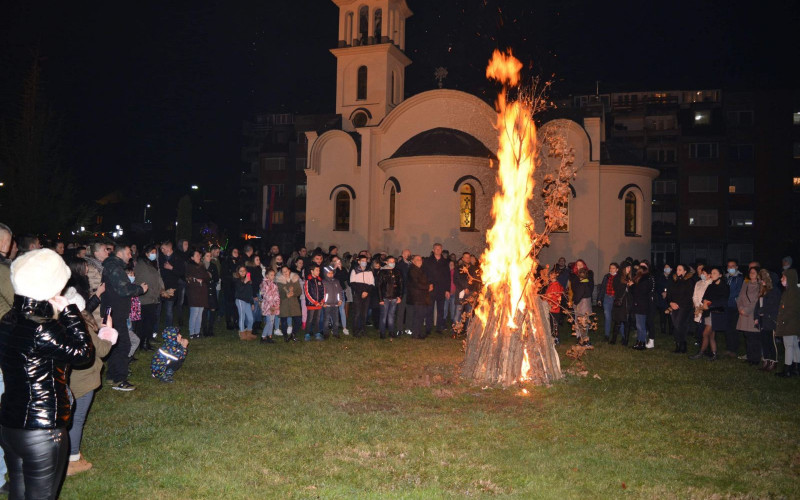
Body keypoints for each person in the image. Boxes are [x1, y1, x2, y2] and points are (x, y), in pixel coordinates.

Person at [0, 249, 95, 499]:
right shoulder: (42, 327)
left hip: (10, 423)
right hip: (41, 430)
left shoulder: (8, 320)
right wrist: (70, 312)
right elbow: (84, 354)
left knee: (19, 491)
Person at [63, 287, 116, 476]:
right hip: (83, 379)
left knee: (68, 417)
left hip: (69, 378)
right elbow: (101, 350)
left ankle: (68, 451)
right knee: (76, 419)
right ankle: (73, 459)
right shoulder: (82, 327)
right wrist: (108, 332)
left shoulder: (62, 324)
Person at [102, 243, 147, 391]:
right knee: (123, 345)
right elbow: (123, 289)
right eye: (128, 253)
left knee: (115, 344)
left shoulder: (114, 266)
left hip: (113, 311)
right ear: (120, 253)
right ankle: (119, 379)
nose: (130, 256)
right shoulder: (114, 267)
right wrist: (141, 289)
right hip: (115, 312)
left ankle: (111, 375)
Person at [690, 267, 729, 361]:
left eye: (715, 273)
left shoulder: (724, 286)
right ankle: (714, 354)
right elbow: (705, 297)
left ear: (720, 275)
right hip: (708, 312)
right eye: (711, 273)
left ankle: (701, 353)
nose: (712, 274)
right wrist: (705, 302)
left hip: (716, 313)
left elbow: (723, 301)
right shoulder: (711, 285)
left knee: (705, 333)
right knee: (711, 335)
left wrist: (710, 304)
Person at [134, 244, 166, 351]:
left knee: (150, 322)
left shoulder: (150, 264)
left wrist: (160, 290)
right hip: (145, 298)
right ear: (146, 253)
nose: (154, 254)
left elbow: (156, 278)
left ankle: (146, 342)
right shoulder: (141, 265)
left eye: (155, 252)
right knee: (144, 323)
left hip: (152, 298)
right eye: (152, 252)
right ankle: (143, 343)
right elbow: (142, 280)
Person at [774, 269, 800, 377]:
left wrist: (783, 321)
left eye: (783, 278)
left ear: (790, 279)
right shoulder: (791, 291)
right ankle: (796, 368)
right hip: (792, 323)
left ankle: (787, 370)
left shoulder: (792, 292)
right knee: (794, 345)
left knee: (788, 346)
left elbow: (792, 310)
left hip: (789, 324)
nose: (781, 279)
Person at [755, 269, 781, 371]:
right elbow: (758, 305)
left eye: (763, 279)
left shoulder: (775, 291)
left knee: (771, 342)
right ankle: (766, 361)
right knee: (764, 341)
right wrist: (756, 317)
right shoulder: (763, 290)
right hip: (762, 320)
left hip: (770, 320)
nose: (761, 282)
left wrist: (762, 311)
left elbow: (772, 306)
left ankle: (773, 362)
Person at [665, 264, 695, 353]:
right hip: (674, 306)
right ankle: (679, 345)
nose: (678, 271)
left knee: (679, 324)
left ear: (685, 271)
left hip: (684, 306)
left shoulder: (689, 281)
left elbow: (689, 296)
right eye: (677, 269)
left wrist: (678, 304)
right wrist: (671, 303)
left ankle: (682, 344)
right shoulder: (673, 281)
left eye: (680, 270)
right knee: (676, 325)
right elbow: (669, 294)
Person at [422, 243, 451, 334]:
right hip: (431, 289)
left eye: (439, 248)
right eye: (436, 248)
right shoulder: (427, 261)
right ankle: (428, 328)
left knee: (440, 310)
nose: (438, 250)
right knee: (429, 309)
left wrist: (447, 290)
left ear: (441, 250)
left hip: (441, 289)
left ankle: (439, 328)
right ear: (433, 250)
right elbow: (424, 274)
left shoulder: (445, 262)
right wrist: (428, 284)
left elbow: (448, 277)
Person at [736, 266, 762, 365]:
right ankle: (750, 357)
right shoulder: (745, 283)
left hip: (752, 314)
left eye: (754, 272)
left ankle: (755, 359)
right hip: (743, 313)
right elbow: (740, 297)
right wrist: (740, 308)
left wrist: (746, 310)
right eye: (750, 272)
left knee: (754, 337)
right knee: (747, 337)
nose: (751, 274)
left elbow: (757, 301)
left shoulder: (760, 285)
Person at [376, 256, 403, 339]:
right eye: (390, 261)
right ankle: (382, 332)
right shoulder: (382, 272)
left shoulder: (397, 272)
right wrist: (380, 299)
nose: (392, 263)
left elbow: (401, 285)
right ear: (386, 262)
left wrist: (399, 296)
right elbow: (379, 286)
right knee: (383, 316)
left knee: (391, 315)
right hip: (385, 297)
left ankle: (391, 332)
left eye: (393, 261)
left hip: (394, 297)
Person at [185, 249, 209, 339]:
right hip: (194, 293)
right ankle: (192, 332)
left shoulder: (201, 266)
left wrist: (202, 279)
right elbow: (188, 279)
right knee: (194, 313)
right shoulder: (190, 267)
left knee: (200, 313)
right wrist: (195, 279)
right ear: (192, 257)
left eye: (199, 255)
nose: (199, 256)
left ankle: (197, 332)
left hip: (202, 292)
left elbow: (206, 277)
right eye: (197, 255)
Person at [406, 254, 432, 339]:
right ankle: (415, 334)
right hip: (417, 297)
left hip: (423, 296)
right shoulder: (413, 270)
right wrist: (427, 287)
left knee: (421, 315)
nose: (420, 261)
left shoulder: (420, 270)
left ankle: (419, 332)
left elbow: (425, 280)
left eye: (421, 259)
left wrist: (429, 285)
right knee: (418, 315)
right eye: (417, 259)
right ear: (413, 261)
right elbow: (416, 284)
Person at [569, 260, 594, 346]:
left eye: (581, 265)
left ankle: (584, 340)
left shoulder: (583, 284)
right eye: (577, 265)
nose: (579, 266)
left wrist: (575, 302)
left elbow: (579, 293)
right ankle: (580, 339)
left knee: (582, 322)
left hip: (582, 303)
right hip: (583, 303)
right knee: (580, 321)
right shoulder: (581, 281)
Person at [159, 241, 183, 328]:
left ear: (169, 248)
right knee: (158, 309)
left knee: (169, 310)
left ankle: (168, 329)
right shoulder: (161, 258)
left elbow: (181, 273)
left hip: (171, 288)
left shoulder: (177, 258)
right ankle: (154, 331)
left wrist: (171, 268)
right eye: (161, 249)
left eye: (163, 249)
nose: (161, 250)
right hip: (161, 287)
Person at [349, 255, 375, 337]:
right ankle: (355, 331)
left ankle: (363, 330)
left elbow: (372, 283)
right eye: (362, 260)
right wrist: (361, 292)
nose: (364, 262)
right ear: (359, 262)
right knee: (357, 313)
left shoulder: (369, 271)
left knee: (364, 313)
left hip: (367, 294)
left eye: (365, 260)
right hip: (357, 294)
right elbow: (352, 283)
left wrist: (366, 291)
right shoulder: (354, 270)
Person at [723, 259, 744, 358]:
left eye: (733, 266)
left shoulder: (739, 278)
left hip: (734, 306)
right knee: (727, 328)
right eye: (729, 266)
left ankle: (734, 349)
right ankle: (729, 348)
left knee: (733, 328)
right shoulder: (725, 277)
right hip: (726, 306)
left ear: (736, 267)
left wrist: (728, 297)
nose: (730, 268)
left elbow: (738, 292)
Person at [85, 241, 109, 326]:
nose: (107, 251)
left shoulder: (103, 265)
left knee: (107, 325)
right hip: (97, 305)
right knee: (102, 327)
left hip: (105, 302)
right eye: (104, 250)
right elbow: (94, 287)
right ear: (96, 253)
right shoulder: (91, 268)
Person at [275, 266, 302, 342]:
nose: (285, 273)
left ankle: (293, 334)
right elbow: (278, 292)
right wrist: (285, 295)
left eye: (286, 271)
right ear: (281, 273)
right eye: (283, 272)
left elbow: (299, 291)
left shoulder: (295, 279)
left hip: (294, 303)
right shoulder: (279, 281)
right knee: (284, 321)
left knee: (298, 320)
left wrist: (293, 293)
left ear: (289, 271)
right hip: (284, 303)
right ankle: (285, 336)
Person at [631, 262, 653, 350]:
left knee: (641, 325)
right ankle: (639, 341)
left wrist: (632, 286)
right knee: (638, 324)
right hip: (639, 303)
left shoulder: (645, 279)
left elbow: (640, 292)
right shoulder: (641, 279)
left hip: (642, 304)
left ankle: (642, 342)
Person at [610, 261, 633, 345]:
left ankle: (626, 340)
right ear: (623, 268)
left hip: (627, 303)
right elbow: (617, 289)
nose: (629, 269)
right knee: (617, 322)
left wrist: (631, 285)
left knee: (627, 322)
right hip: (620, 303)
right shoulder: (618, 277)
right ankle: (613, 340)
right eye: (627, 267)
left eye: (630, 268)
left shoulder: (629, 277)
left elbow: (631, 292)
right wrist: (626, 285)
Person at [233, 264, 256, 341]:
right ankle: (242, 333)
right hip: (240, 300)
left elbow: (250, 292)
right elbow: (240, 290)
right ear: (238, 272)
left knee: (251, 318)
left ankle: (249, 333)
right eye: (241, 271)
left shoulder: (249, 280)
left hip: (247, 301)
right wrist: (245, 282)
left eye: (244, 271)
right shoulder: (237, 280)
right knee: (242, 317)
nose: (243, 272)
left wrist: (252, 303)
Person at [304, 265, 325, 341]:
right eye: (317, 270)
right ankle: (307, 333)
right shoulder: (308, 280)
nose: (318, 272)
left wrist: (322, 301)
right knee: (310, 319)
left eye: (319, 270)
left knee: (317, 319)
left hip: (319, 304)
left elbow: (323, 291)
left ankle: (317, 333)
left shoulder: (320, 280)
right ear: (312, 271)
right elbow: (307, 293)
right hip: (311, 304)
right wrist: (314, 302)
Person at [259, 268, 280, 343]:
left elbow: (277, 294)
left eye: (274, 275)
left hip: (274, 306)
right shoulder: (265, 284)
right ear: (267, 275)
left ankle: (269, 336)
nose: (273, 276)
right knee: (269, 321)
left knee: (272, 321)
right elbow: (267, 295)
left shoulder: (274, 284)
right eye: (271, 275)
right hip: (268, 306)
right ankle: (263, 336)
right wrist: (272, 305)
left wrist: (277, 304)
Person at [322, 266, 343, 338]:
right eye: (329, 273)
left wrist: (340, 300)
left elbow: (340, 291)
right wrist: (323, 302)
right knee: (326, 319)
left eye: (332, 273)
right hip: (327, 304)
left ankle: (335, 333)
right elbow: (322, 293)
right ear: (325, 274)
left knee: (336, 319)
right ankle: (326, 333)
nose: (331, 275)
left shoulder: (336, 281)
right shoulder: (323, 282)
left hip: (336, 304)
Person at [543, 270, 564, 344]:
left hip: (554, 309)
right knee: (551, 324)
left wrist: (549, 301)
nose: (549, 277)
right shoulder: (551, 285)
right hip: (550, 308)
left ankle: (556, 338)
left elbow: (555, 297)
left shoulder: (556, 286)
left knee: (554, 324)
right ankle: (552, 337)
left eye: (551, 275)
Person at [599, 263, 619, 341]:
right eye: (610, 268)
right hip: (607, 298)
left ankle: (622, 335)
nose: (611, 269)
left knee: (618, 317)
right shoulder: (606, 276)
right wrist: (600, 299)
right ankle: (607, 335)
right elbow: (603, 288)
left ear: (617, 269)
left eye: (613, 268)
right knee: (607, 316)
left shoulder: (619, 277)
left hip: (616, 298)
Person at [202, 250, 219, 337]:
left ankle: (211, 329)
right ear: (204, 257)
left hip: (212, 290)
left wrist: (211, 276)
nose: (209, 257)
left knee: (212, 310)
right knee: (204, 310)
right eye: (207, 256)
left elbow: (216, 278)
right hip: (204, 291)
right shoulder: (201, 266)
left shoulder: (213, 266)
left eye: (210, 256)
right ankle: (204, 329)